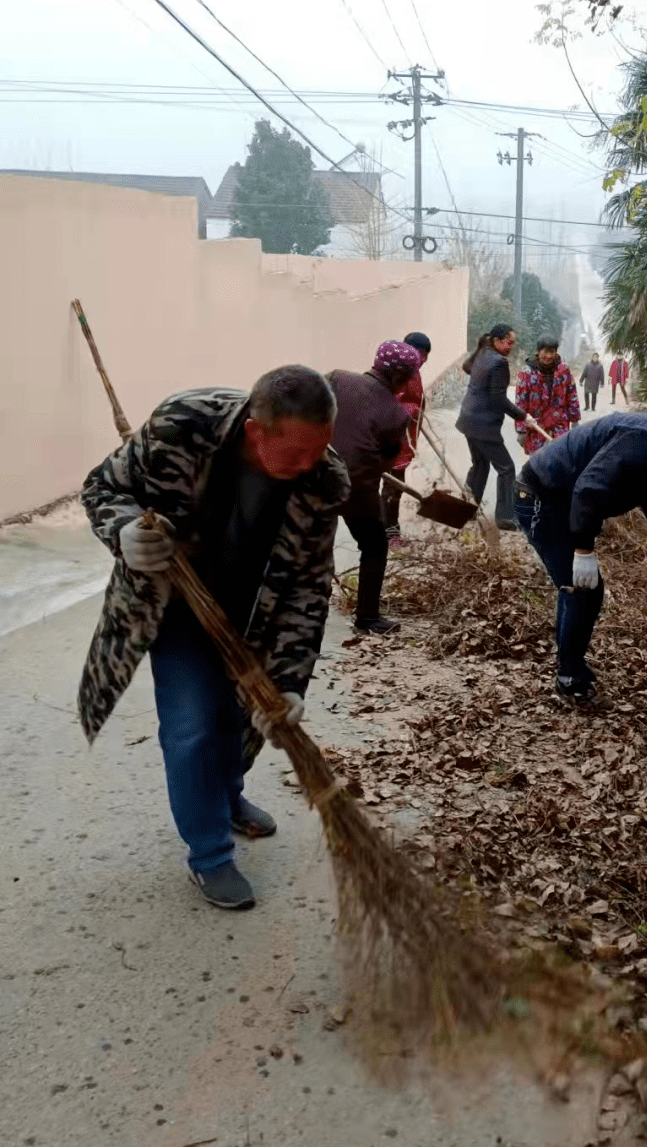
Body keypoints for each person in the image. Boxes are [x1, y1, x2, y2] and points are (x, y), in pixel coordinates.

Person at [79, 365, 348, 911]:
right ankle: (210, 855)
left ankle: (227, 797)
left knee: (236, 718)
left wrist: (291, 681)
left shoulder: (324, 479)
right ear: (256, 432)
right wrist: (125, 529)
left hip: (257, 613)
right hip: (175, 603)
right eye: (296, 454)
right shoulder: (183, 425)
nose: (309, 466)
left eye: (319, 450)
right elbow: (102, 486)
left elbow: (309, 585)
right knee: (194, 725)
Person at [515, 397, 647, 708]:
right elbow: (590, 489)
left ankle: (570, 665)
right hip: (539, 496)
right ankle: (569, 678)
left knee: (582, 590)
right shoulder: (646, 441)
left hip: (562, 501)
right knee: (580, 588)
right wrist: (583, 550)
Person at [328, 341, 423, 636]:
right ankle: (367, 618)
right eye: (410, 375)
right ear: (399, 376)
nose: (410, 381)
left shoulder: (336, 379)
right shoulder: (396, 416)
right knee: (374, 545)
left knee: (309, 541)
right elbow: (386, 462)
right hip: (356, 488)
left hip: (315, 474)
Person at [456, 323, 543, 530]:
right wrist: (523, 416)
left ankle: (466, 509)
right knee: (506, 468)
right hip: (483, 425)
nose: (511, 346)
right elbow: (498, 399)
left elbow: (467, 368)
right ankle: (505, 517)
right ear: (497, 341)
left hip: (469, 420)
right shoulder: (499, 363)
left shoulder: (483, 353)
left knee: (480, 465)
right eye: (509, 342)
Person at [382, 331, 431, 544]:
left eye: (426, 355)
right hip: (391, 440)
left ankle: (388, 529)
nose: (424, 359)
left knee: (395, 487)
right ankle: (389, 534)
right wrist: (414, 410)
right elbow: (390, 405)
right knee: (392, 488)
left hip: (404, 440)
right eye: (421, 354)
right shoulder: (397, 373)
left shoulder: (413, 372)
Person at [514, 334, 581, 457]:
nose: (549, 356)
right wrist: (521, 430)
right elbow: (520, 403)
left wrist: (575, 420)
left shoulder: (563, 371)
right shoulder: (527, 373)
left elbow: (572, 396)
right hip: (536, 428)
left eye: (552, 352)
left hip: (559, 426)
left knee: (559, 463)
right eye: (545, 352)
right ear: (538, 352)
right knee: (538, 466)